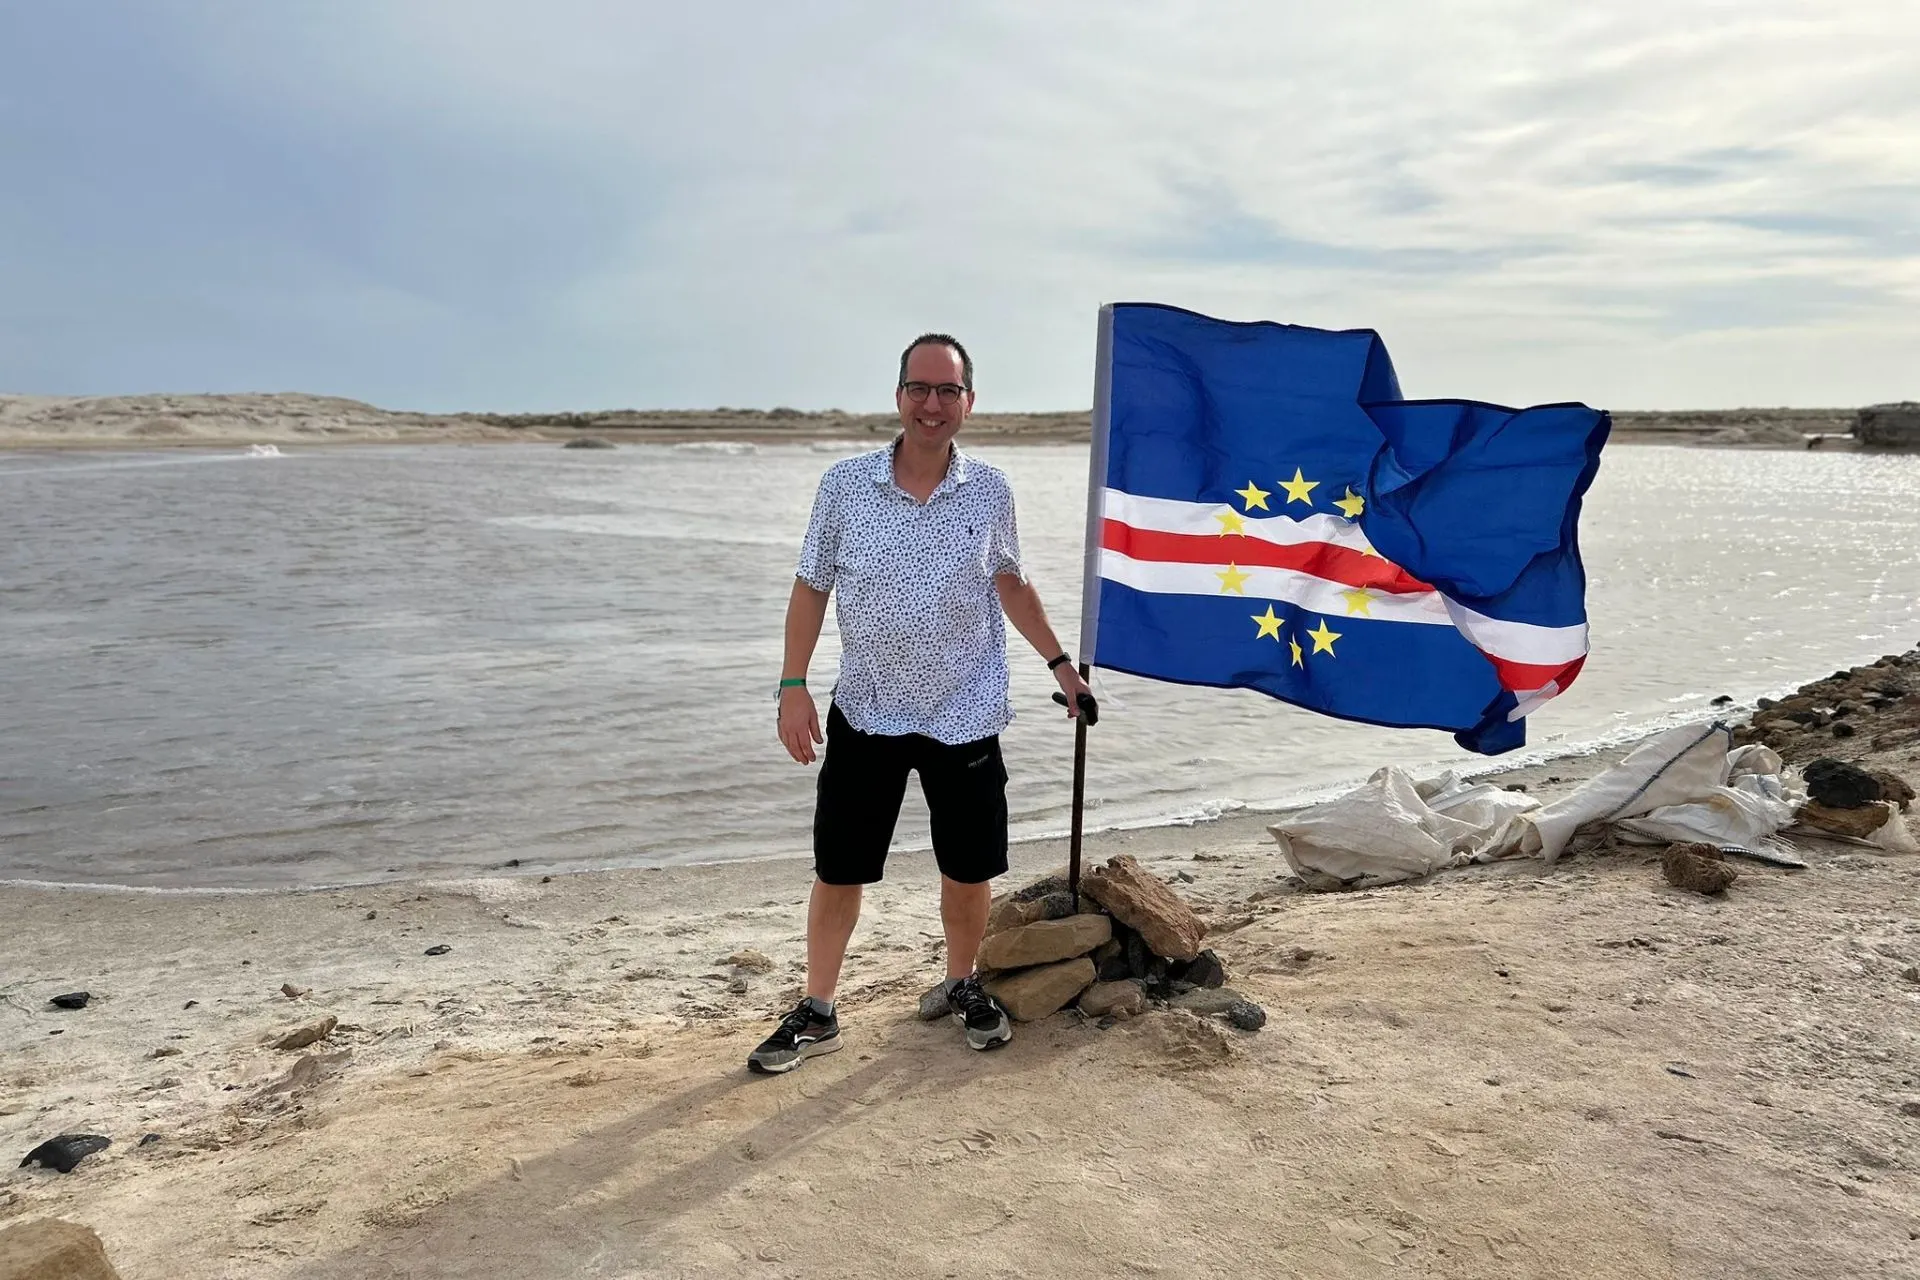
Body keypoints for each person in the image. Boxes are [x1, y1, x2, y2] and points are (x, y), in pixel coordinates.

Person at [747, 333, 1095, 1074]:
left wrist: (1060, 664)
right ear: (898, 395)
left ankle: (962, 983)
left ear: (969, 401)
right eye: (920, 389)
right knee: (839, 869)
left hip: (964, 709)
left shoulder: (992, 490)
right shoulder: (845, 486)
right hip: (866, 710)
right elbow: (812, 586)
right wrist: (791, 685)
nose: (932, 405)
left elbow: (1010, 581)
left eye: (948, 391)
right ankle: (818, 1008)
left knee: (968, 870)